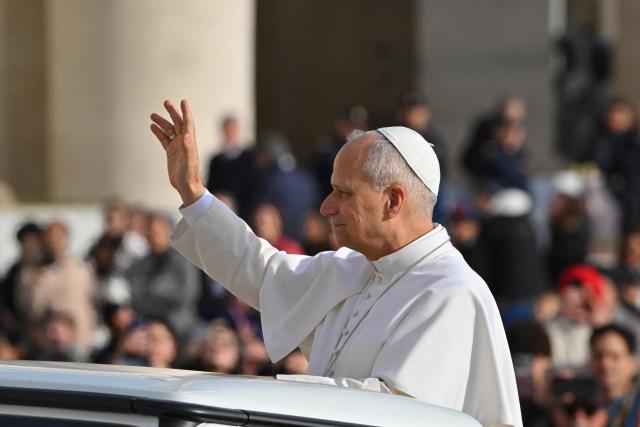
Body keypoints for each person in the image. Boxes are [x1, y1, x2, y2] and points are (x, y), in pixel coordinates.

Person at [150, 100, 522, 426]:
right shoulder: (352, 267)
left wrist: (266, 394)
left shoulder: (451, 293)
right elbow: (261, 271)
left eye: (343, 193)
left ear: (393, 200)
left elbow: (401, 414)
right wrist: (194, 193)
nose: (326, 207)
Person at [589, 323, 640, 427]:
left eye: (614, 356)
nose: (605, 364)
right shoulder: (578, 404)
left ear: (632, 363)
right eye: (599, 356)